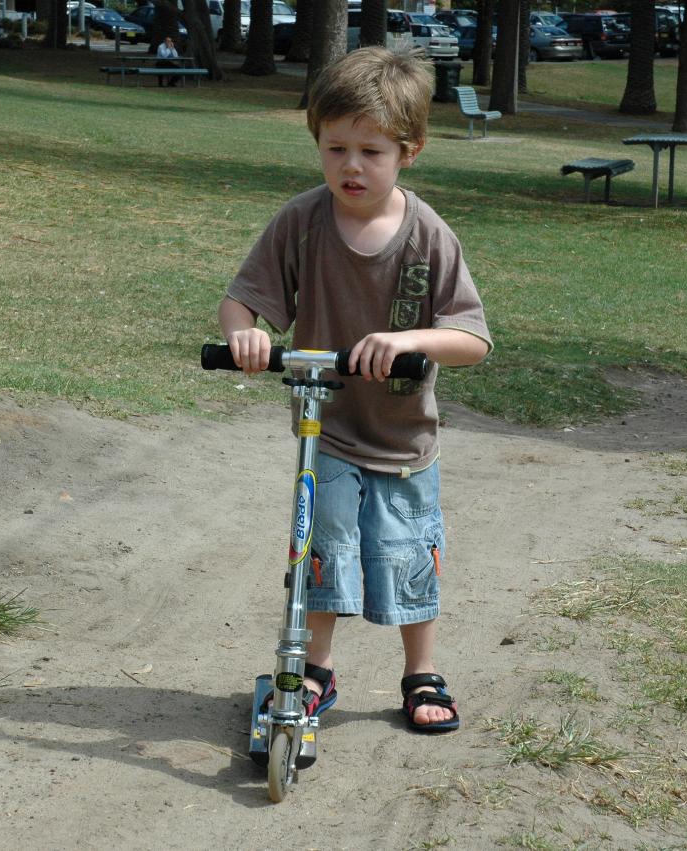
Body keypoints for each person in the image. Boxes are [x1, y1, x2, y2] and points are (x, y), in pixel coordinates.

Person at [218, 47, 491, 734]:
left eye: (370, 150)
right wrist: (245, 334)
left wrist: (408, 341)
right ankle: (314, 667)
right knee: (323, 547)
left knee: (407, 553)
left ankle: (420, 669)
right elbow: (242, 299)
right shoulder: (302, 222)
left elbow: (473, 339)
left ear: (410, 150)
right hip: (327, 428)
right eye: (334, 147)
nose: (351, 166)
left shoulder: (429, 237)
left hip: (403, 438)